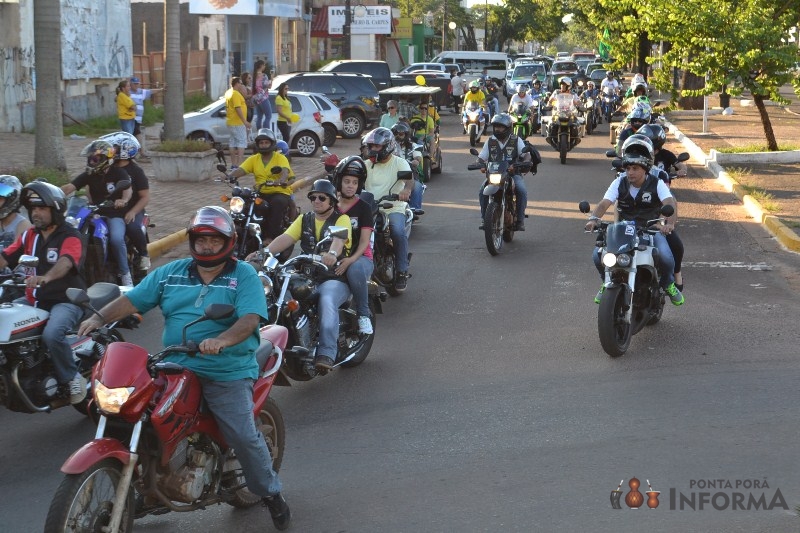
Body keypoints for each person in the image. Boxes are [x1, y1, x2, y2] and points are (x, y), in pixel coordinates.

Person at [76, 206, 291, 530]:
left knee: (243, 435)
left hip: (226, 368)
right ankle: (150, 479)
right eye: (201, 239)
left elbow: (249, 320)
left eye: (214, 240)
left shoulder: (242, 274)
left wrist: (222, 340)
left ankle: (271, 492)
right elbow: (134, 299)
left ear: (228, 241)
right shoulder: (172, 272)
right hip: (175, 362)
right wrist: (97, 318)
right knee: (137, 410)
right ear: (192, 240)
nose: (206, 246)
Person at [0, 182, 88, 404]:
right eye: (33, 209)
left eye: (42, 208)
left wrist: (46, 277)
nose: (35, 213)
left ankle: (72, 377)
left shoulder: (71, 235)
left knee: (52, 334)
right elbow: (6, 257)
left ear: (55, 209)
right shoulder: (30, 235)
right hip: (34, 298)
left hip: (66, 299)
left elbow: (66, 262)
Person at [583, 135, 684, 306]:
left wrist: (669, 224)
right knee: (597, 255)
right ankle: (606, 282)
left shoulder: (657, 183)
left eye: (635, 168)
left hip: (651, 229)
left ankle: (667, 284)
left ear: (645, 169)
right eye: (628, 168)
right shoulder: (618, 182)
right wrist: (594, 219)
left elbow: (669, 203)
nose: (630, 172)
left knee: (666, 257)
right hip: (623, 230)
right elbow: (604, 203)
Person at [265, 180, 352, 371]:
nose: (317, 201)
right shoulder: (304, 219)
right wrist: (264, 252)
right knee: (277, 292)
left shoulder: (341, 220)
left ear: (331, 201)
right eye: (313, 197)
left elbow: (339, 240)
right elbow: (285, 238)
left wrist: (332, 254)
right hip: (306, 275)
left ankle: (326, 353)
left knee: (326, 300)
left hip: (332, 277)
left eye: (322, 197)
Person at [62, 140, 135, 286]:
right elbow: (70, 187)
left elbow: (127, 188)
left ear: (106, 159)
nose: (92, 162)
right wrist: (51, 193)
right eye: (90, 159)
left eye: (95, 159)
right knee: (73, 232)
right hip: (94, 212)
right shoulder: (89, 175)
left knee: (116, 238)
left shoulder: (118, 172)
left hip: (114, 213)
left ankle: (125, 274)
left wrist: (123, 200)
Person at [363, 127, 414, 291]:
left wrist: (406, 190)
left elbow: (409, 180)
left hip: (393, 207)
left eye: (376, 147)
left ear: (387, 146)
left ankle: (401, 271)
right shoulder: (365, 165)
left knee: (397, 230)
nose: (373, 150)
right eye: (371, 146)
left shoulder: (399, 162)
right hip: (369, 208)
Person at [637, 124, 687, 290]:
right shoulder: (627, 174)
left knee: (675, 246)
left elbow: (680, 165)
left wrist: (668, 225)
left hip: (660, 201)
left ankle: (675, 275)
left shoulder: (661, 169)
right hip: (635, 218)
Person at [331, 156, 375, 335]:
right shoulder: (331, 206)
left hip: (360, 258)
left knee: (355, 269)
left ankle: (363, 315)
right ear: (339, 182)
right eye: (347, 181)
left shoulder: (363, 208)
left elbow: (364, 242)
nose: (350, 185)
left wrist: (350, 260)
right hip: (334, 256)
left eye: (355, 182)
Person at [229, 128, 294, 244]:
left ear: (272, 143)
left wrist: (281, 180)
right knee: (245, 203)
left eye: (266, 142)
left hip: (278, 191)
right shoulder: (254, 159)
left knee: (277, 203)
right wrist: (228, 176)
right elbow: (241, 170)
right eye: (261, 143)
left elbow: (285, 171)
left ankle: (270, 237)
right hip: (261, 191)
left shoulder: (280, 158)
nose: (263, 145)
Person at [100, 131, 151, 272]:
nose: (111, 150)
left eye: (114, 147)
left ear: (126, 149)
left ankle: (143, 255)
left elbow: (145, 196)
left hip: (132, 209)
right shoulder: (106, 168)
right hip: (111, 211)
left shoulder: (136, 171)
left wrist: (133, 211)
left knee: (133, 226)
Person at [476, 113, 532, 231]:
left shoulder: (516, 140)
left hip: (512, 174)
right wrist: (480, 164)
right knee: (482, 191)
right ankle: (484, 218)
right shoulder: (490, 141)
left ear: (507, 128)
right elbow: (481, 157)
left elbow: (526, 154)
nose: (498, 129)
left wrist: (524, 162)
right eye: (496, 127)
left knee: (521, 190)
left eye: (501, 127)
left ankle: (520, 220)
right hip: (494, 175)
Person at [390, 121, 426, 211]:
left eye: (401, 134)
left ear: (406, 134)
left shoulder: (412, 145)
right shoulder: (389, 146)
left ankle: (415, 209)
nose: (398, 136)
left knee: (417, 186)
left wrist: (416, 160)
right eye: (396, 134)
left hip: (410, 174)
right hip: (392, 172)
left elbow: (418, 156)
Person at [0, 175, 32, 273]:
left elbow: (12, 255)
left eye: (0, 199)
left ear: (11, 200)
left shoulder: (23, 225)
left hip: (11, 280)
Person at [129, 76, 163, 159]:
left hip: (138, 119)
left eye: (137, 84)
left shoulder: (140, 92)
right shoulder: (128, 92)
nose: (136, 85)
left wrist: (161, 89)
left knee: (134, 135)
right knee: (136, 134)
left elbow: (150, 91)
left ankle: (135, 153)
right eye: (135, 84)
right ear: (131, 84)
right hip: (131, 118)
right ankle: (141, 152)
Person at [224, 76, 251, 169]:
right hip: (237, 122)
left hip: (230, 121)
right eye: (240, 83)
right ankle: (239, 165)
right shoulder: (235, 94)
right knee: (241, 142)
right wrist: (245, 121)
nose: (241, 85)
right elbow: (237, 108)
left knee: (232, 142)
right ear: (237, 83)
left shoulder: (228, 92)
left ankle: (233, 164)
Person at [252, 60, 273, 131]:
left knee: (259, 116)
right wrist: (271, 78)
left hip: (256, 98)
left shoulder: (254, 76)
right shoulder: (263, 76)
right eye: (264, 65)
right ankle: (266, 131)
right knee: (268, 115)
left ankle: (259, 132)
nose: (265, 66)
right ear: (261, 66)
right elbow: (268, 86)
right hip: (263, 98)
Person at [274, 82, 293, 148]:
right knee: (286, 137)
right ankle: (283, 150)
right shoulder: (279, 98)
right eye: (285, 89)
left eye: (287, 89)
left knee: (287, 137)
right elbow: (279, 111)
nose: (287, 90)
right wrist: (287, 117)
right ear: (281, 89)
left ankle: (285, 150)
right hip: (282, 121)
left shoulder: (286, 98)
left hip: (288, 121)